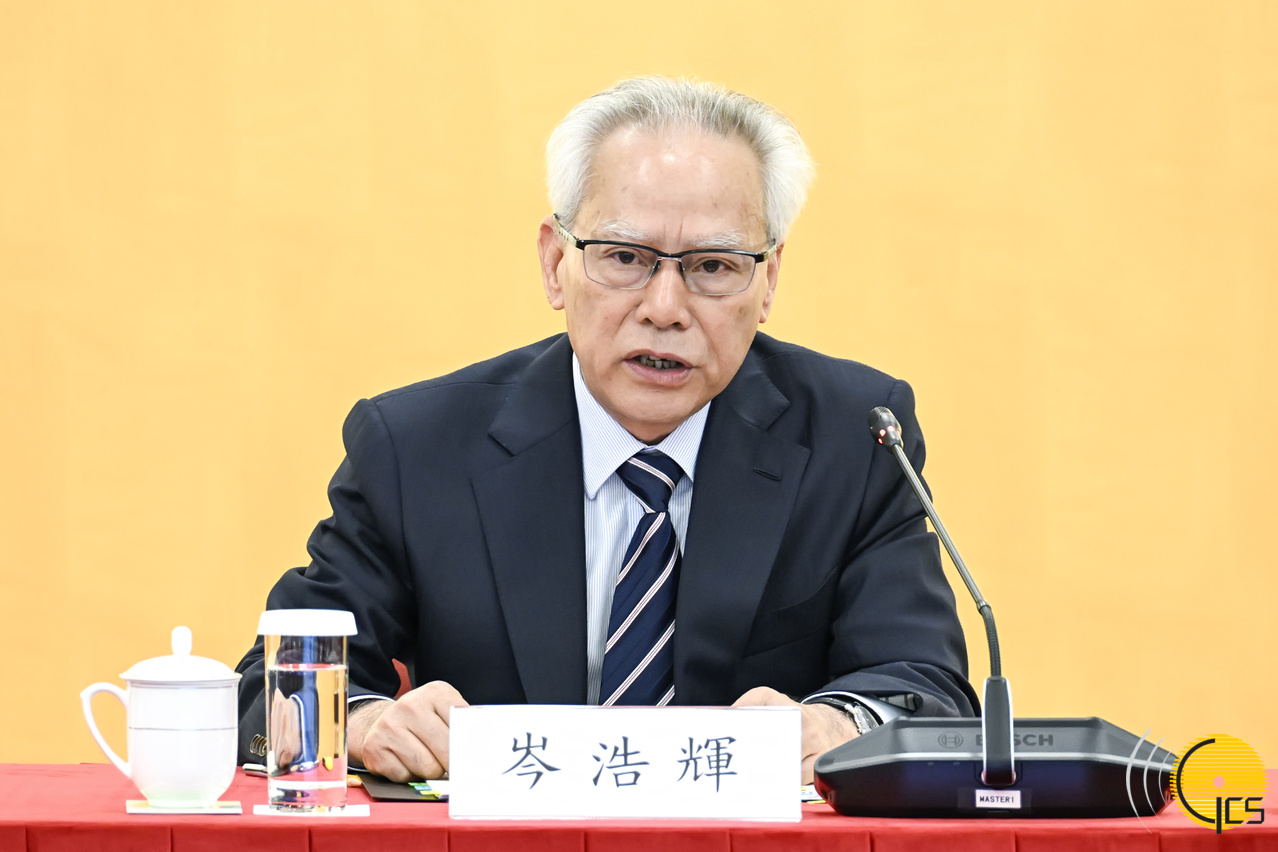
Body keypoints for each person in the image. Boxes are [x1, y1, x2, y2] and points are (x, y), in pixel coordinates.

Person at [236, 76, 978, 785]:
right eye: (625, 258)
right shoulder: (416, 447)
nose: (665, 308)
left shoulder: (855, 439)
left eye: (714, 266)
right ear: (555, 263)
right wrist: (365, 723)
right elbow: (262, 699)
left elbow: (928, 691)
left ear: (769, 281)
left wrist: (837, 725)